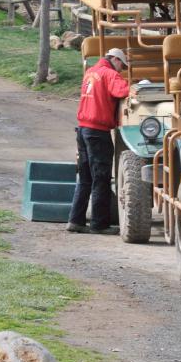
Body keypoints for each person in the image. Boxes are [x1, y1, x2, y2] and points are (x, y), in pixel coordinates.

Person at [68, 48, 130, 234]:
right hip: (98, 131)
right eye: (122, 65)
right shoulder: (109, 74)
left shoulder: (90, 72)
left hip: (83, 129)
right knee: (101, 178)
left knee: (85, 178)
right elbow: (123, 91)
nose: (121, 70)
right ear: (115, 60)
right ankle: (99, 224)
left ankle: (75, 220)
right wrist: (135, 86)